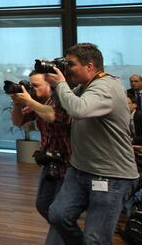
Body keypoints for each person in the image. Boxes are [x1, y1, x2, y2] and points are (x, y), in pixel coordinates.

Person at [46, 43, 138, 244]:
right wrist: (56, 85)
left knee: (95, 238)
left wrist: (61, 84)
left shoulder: (106, 87)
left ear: (89, 66)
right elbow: (64, 106)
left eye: (71, 64)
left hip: (110, 175)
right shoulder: (86, 86)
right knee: (58, 215)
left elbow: (79, 109)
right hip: (80, 169)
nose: (67, 68)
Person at [10, 71, 71, 245]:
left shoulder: (61, 101)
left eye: (36, 85)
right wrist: (16, 103)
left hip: (69, 164)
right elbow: (17, 121)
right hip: (48, 161)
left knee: (58, 213)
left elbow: (53, 115)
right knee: (43, 205)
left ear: (50, 85)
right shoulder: (37, 102)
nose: (32, 88)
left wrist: (29, 101)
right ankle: (71, 235)